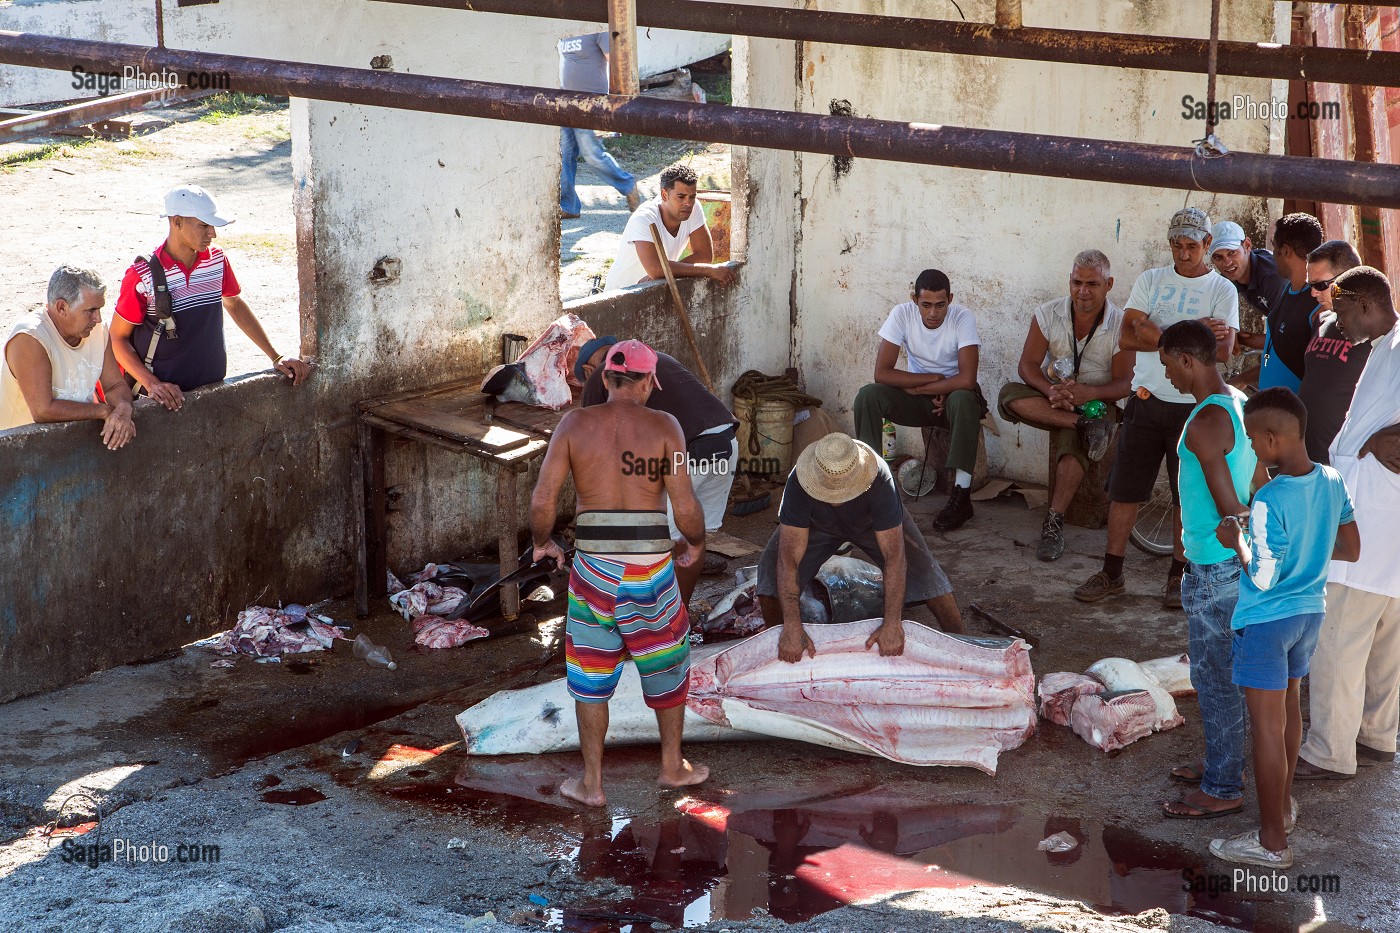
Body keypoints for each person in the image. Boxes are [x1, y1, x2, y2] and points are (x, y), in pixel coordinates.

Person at [529, 339, 709, 807]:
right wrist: (695, 542)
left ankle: (592, 783)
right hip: (649, 568)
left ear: (606, 379)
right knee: (666, 661)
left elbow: (543, 499)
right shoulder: (665, 426)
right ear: (649, 382)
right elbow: (685, 505)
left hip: (593, 572)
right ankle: (671, 766)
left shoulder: (573, 424)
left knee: (591, 671)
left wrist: (541, 541)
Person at [1210, 388, 1359, 868]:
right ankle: (1284, 808)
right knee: (1290, 710)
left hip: (1267, 621)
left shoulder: (1268, 498)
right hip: (1308, 614)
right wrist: (1307, 554)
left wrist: (1238, 541)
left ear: (1273, 439)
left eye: (1253, 439)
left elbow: (1261, 576)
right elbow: (1350, 546)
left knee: (1266, 729)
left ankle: (1271, 841)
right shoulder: (1332, 480)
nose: (1251, 448)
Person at [1073, 207, 1239, 608]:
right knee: (1125, 491)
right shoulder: (1151, 279)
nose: (1184, 254)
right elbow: (1127, 336)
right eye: (1177, 246)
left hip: (1193, 407)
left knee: (1187, 497)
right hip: (1146, 400)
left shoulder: (1222, 290)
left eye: (1192, 247)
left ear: (1207, 245)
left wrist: (1156, 329)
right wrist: (1188, 330)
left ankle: (1177, 578)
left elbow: (1222, 350)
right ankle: (1112, 572)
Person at [1295, 267, 1400, 781]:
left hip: (1376, 518)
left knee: (1337, 639)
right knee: (1384, 640)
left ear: (1361, 301)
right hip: (1383, 520)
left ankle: (1329, 753)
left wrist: (1380, 442)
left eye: (1338, 310)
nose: (1334, 322)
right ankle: (1377, 737)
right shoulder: (1387, 345)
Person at [1156, 320, 1258, 821]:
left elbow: (1228, 505)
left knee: (1215, 677)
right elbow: (1257, 481)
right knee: (1225, 675)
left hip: (1215, 568)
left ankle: (1222, 786)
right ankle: (1223, 762)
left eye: (1169, 366)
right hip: (1229, 564)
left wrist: (1235, 535)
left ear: (1188, 360)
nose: (1169, 376)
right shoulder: (1237, 403)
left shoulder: (1203, 422)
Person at [755, 432, 967, 666]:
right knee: (768, 574)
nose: (836, 497)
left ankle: (966, 650)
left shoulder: (879, 477)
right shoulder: (799, 480)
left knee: (928, 576)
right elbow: (788, 560)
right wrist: (792, 626)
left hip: (871, 522)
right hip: (817, 523)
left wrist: (892, 623)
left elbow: (894, 557)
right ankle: (779, 648)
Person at [111, 184, 311, 410]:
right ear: (177, 222)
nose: (212, 233)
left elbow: (234, 304)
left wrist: (275, 357)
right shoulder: (141, 275)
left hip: (213, 391)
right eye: (204, 225)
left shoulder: (217, 259)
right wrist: (153, 384)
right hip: (160, 402)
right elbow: (117, 339)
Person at [576, 334, 739, 599]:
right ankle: (681, 615)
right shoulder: (659, 360)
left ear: (588, 371)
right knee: (693, 541)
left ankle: (659, 616)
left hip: (689, 453)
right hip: (727, 444)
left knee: (666, 543)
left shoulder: (600, 378)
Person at [997, 249, 1132, 560]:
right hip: (1058, 400)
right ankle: (1084, 425)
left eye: (1092, 284)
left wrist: (1089, 394)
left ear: (1108, 284)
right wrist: (1050, 391)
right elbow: (1027, 366)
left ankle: (1054, 521)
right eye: (1076, 282)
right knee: (1009, 395)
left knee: (1074, 441)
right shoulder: (1048, 313)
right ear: (1069, 281)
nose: (1082, 291)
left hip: (1099, 401)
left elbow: (1126, 383)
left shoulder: (1121, 322)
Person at [853, 268, 986, 532]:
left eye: (940, 305)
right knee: (868, 396)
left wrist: (929, 388)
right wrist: (931, 380)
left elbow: (967, 379)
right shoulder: (902, 314)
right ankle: (870, 487)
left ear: (951, 298)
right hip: (920, 398)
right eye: (926, 305)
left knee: (962, 398)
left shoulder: (962, 317)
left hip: (953, 401)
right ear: (915, 300)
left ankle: (961, 495)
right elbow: (882, 373)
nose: (933, 313)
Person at [0, 265, 135, 450]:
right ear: (62, 307)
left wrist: (124, 408)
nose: (98, 318)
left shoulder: (98, 331)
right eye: (91, 310)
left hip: (70, 447)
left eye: (100, 309)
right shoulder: (30, 337)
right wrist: (104, 410)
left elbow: (115, 385)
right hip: (20, 453)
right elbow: (42, 410)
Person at [603, 164, 736, 292]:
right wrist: (708, 271)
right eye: (681, 197)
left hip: (654, 290)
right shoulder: (644, 218)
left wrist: (667, 272)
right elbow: (655, 269)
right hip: (622, 293)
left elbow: (704, 256)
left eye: (692, 197)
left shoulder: (694, 209)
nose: (688, 203)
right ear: (664, 195)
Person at [1229, 213, 1324, 393]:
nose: (1272, 256)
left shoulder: (1318, 303)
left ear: (1286, 251)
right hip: (1271, 409)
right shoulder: (1287, 291)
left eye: (1274, 248)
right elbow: (1280, 347)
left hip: (1294, 413)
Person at [557, 31, 641, 220]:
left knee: (592, 154)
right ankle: (568, 205)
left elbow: (616, 64)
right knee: (564, 154)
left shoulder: (595, 29)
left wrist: (613, 102)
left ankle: (627, 185)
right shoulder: (565, 29)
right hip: (564, 101)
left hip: (592, 102)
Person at [1296, 240, 1366, 463]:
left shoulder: (1381, 333)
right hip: (1308, 460)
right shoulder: (1322, 320)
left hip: (1349, 462)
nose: (1314, 294)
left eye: (1321, 285)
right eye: (1311, 285)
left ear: (1350, 278)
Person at [1208, 220, 1286, 321]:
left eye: (1232, 252)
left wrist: (1254, 338)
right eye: (1218, 257)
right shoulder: (1227, 279)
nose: (1227, 263)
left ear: (1247, 245)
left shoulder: (1272, 277)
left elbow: (1287, 330)